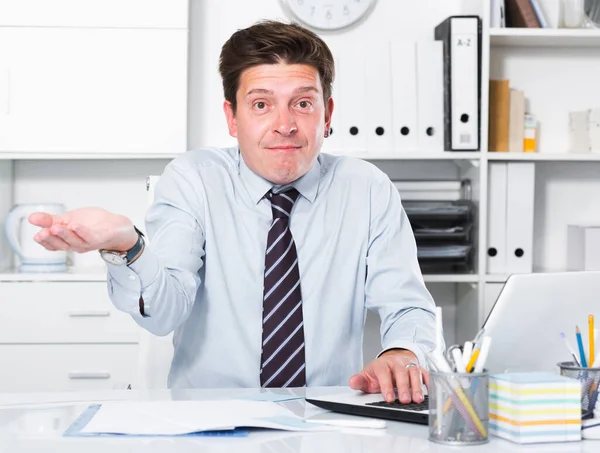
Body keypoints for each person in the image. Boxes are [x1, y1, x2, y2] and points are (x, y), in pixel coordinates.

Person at [29, 20, 439, 403]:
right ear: (232, 117)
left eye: (302, 104)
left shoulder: (366, 188)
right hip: (211, 419)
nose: (285, 124)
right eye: (261, 105)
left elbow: (406, 303)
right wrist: (130, 247)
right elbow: (164, 312)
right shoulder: (194, 180)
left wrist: (403, 351)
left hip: (328, 415)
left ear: (327, 115)